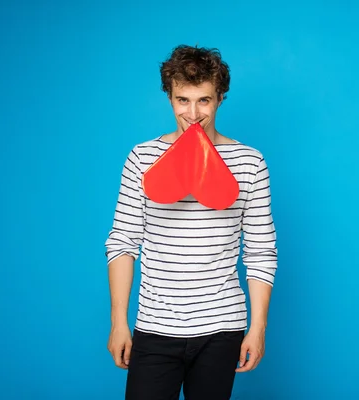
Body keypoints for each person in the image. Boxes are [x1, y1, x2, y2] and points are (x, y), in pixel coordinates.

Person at [104, 44, 278, 400]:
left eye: (204, 100)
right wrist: (118, 322)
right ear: (169, 97)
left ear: (220, 98)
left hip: (222, 328)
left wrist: (257, 328)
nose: (193, 113)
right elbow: (122, 242)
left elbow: (261, 252)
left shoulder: (249, 162)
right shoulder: (142, 157)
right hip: (155, 326)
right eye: (183, 100)